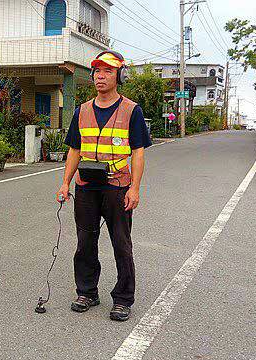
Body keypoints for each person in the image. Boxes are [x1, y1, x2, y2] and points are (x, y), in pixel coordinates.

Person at [56, 50, 152, 322]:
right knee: (85, 241)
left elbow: (139, 152)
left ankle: (123, 299)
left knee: (121, 242)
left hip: (117, 186)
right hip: (86, 185)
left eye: (108, 71)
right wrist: (65, 183)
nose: (101, 75)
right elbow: (75, 149)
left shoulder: (132, 110)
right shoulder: (82, 111)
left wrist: (135, 188)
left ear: (119, 75)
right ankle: (87, 291)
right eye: (97, 70)